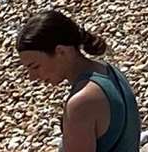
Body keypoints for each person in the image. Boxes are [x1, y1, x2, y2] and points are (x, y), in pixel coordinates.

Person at [16, 10, 140, 152]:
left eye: (35, 66)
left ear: (61, 51)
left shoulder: (81, 102)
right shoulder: (108, 70)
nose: (32, 77)